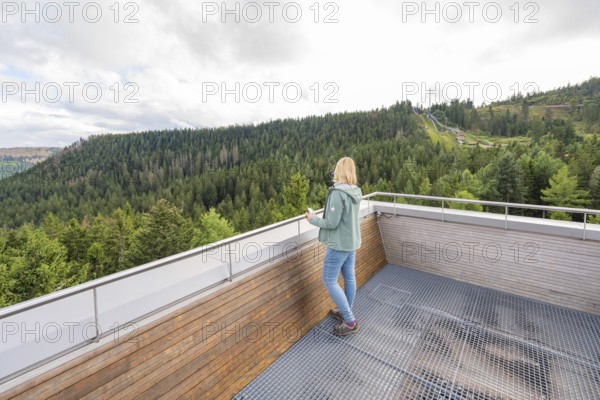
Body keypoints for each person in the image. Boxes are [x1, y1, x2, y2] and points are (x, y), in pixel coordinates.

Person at [306, 157, 362, 336]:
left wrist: (312, 218)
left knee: (329, 280)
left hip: (338, 244)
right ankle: (347, 312)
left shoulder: (338, 193)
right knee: (349, 277)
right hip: (351, 242)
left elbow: (331, 222)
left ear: (340, 171)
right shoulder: (355, 190)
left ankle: (350, 321)